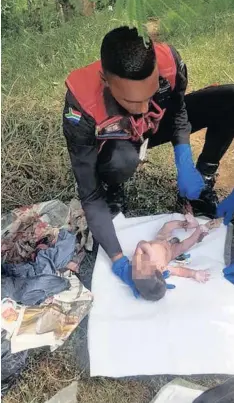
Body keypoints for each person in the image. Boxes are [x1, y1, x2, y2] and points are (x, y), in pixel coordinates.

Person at [63, 26, 234, 292]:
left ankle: (204, 177)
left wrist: (183, 157)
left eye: (150, 93)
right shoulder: (80, 106)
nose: (143, 108)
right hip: (119, 138)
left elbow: (178, 112)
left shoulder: (169, 63)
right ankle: (115, 187)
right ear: (105, 81)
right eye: (132, 100)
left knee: (229, 100)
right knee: (120, 160)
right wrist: (119, 260)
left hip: (155, 127)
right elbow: (89, 192)